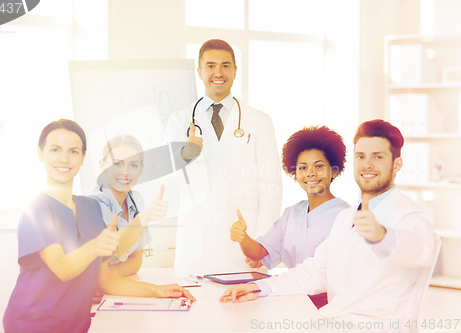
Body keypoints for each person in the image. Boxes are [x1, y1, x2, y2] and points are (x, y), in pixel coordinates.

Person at [220, 120, 439, 333]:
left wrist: (382, 236)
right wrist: (258, 289)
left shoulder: (411, 216)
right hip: (333, 322)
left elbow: (420, 249)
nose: (367, 164)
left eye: (378, 157)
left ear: (396, 164)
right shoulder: (346, 218)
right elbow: (315, 272)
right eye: (361, 156)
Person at [3, 119, 194, 333]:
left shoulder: (90, 207)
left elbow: (105, 281)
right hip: (33, 325)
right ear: (40, 154)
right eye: (55, 149)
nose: (64, 158)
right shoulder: (36, 210)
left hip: (76, 326)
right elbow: (63, 270)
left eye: (74, 151)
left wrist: (157, 291)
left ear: (83, 158)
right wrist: (96, 246)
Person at [165, 39, 283, 273]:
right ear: (199, 72)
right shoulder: (179, 122)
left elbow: (270, 185)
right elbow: (166, 179)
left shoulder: (259, 121)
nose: (218, 72)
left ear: (235, 71)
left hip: (243, 243)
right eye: (210, 66)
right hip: (196, 244)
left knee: (244, 306)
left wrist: (262, 244)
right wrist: (183, 154)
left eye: (225, 66)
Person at [229, 126, 349, 308]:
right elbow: (258, 253)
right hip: (290, 296)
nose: (310, 173)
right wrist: (243, 237)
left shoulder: (347, 216)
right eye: (303, 167)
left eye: (319, 166)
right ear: (295, 173)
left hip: (329, 304)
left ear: (334, 171)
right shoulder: (291, 214)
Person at [86, 134, 168, 277]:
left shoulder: (136, 200)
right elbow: (114, 249)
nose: (125, 172)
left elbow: (136, 260)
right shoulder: (92, 203)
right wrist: (144, 217)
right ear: (102, 165)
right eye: (117, 164)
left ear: (141, 170)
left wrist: (106, 278)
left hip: (110, 285)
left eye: (133, 165)